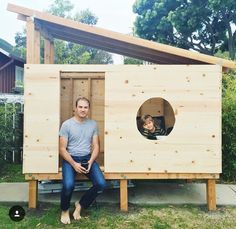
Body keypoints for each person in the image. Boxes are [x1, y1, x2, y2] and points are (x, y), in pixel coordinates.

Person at [59, 97, 106, 224]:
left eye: (85, 107)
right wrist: (74, 164)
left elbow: (96, 146)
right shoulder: (67, 125)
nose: (83, 110)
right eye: (80, 107)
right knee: (69, 185)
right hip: (71, 159)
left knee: (101, 184)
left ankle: (80, 205)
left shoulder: (93, 124)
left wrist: (90, 162)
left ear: (88, 109)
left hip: (87, 158)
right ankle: (64, 210)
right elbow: (62, 149)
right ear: (75, 108)